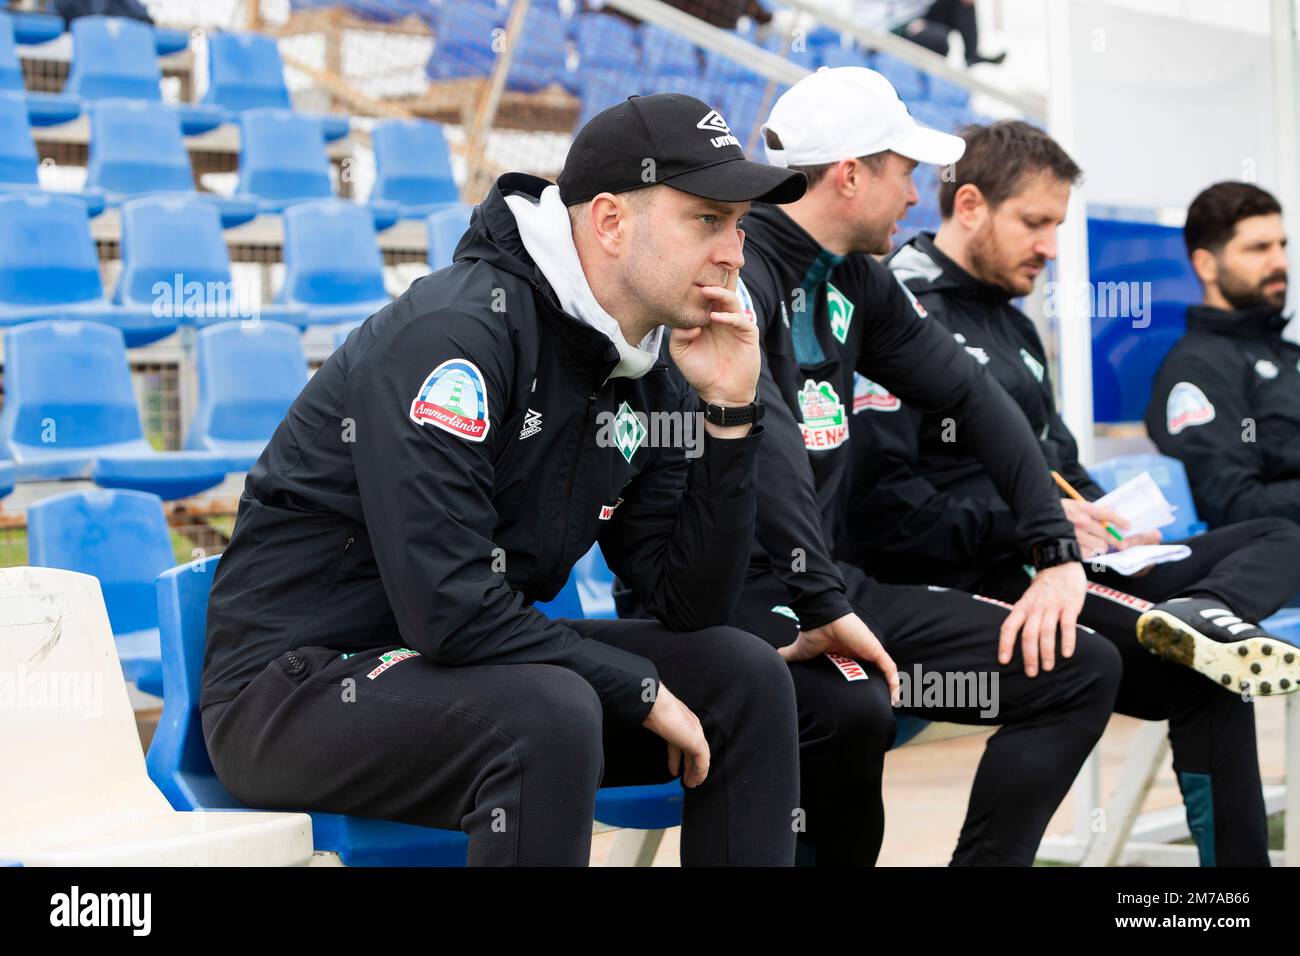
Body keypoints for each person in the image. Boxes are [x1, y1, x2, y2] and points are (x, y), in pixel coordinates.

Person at [200, 93, 807, 867]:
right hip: (298, 688)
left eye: (739, 226)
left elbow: (691, 604)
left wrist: (728, 416)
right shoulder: (455, 333)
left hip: (460, 671)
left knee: (742, 676)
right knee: (548, 712)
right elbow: (448, 606)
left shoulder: (648, 368)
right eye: (706, 221)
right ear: (612, 222)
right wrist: (639, 689)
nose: (735, 253)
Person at [620, 67, 1122, 867]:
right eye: (905, 171)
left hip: (833, 587)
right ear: (850, 174)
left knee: (1079, 666)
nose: (917, 196)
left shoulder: (858, 277)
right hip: (721, 601)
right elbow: (767, 443)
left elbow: (974, 394)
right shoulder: (735, 272)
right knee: (853, 711)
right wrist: (817, 596)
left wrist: (1054, 551)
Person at [847, 119, 1300, 865]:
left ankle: (1206, 613)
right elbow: (883, 509)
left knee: (1278, 540)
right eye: (1035, 223)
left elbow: (1057, 463)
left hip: (1059, 556)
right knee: (1203, 672)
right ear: (968, 207)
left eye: (1057, 224)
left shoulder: (1015, 326)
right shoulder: (899, 307)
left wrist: (1106, 518)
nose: (1052, 247)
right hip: (968, 578)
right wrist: (1032, 528)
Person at [1146, 181, 1300, 528]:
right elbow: (1235, 506)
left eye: (1282, 245)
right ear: (1207, 266)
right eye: (1259, 248)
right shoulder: (1196, 368)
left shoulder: (1287, 353)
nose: (1280, 262)